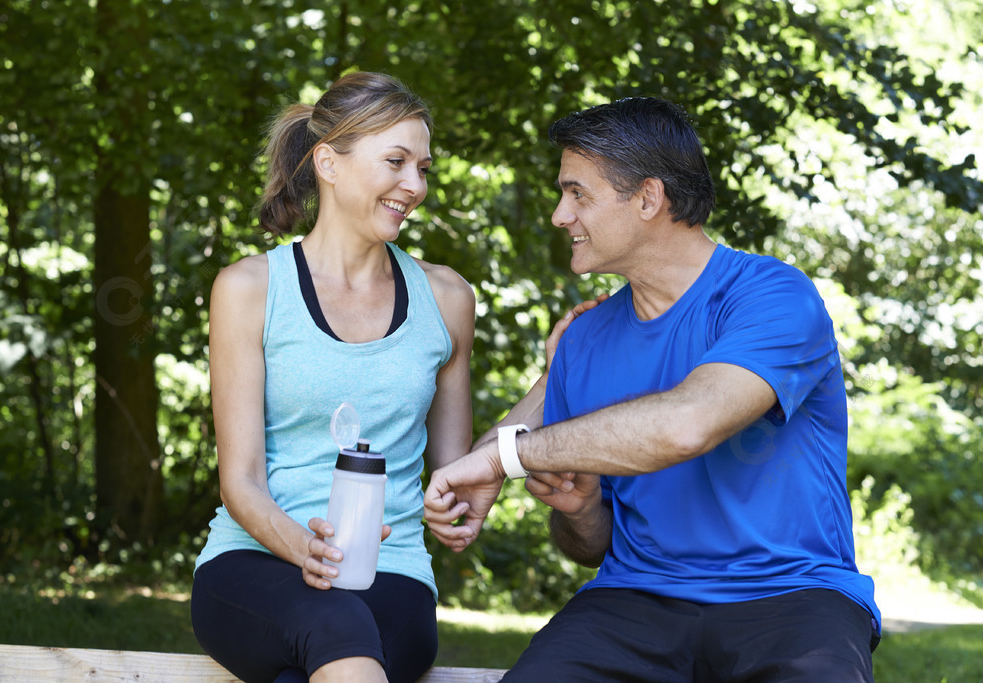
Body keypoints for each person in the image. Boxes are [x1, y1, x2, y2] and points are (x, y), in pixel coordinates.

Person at [424, 97, 882, 682]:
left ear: (648, 197)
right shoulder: (583, 341)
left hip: (790, 596)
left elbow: (688, 423)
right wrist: (582, 509)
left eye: (577, 193)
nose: (560, 214)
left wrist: (505, 456)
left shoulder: (773, 296)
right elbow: (588, 546)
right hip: (634, 600)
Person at [189, 71, 478, 683]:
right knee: (335, 627)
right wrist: (305, 549)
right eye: (396, 161)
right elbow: (239, 481)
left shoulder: (447, 296)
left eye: (423, 168)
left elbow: (456, 472)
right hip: (255, 561)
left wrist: (547, 386)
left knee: (326, 650)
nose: (415, 185)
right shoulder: (249, 289)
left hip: (391, 572)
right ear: (328, 163)